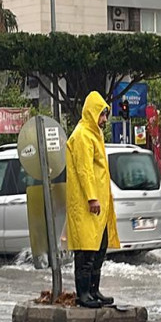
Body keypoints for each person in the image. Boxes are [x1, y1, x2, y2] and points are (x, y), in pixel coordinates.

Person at [66, 91, 120, 309]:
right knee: (86, 250)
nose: (104, 120)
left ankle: (94, 290)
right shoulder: (82, 136)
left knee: (99, 249)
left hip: (99, 205)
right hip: (88, 204)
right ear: (92, 113)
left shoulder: (94, 134)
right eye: (102, 114)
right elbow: (85, 170)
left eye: (105, 115)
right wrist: (91, 198)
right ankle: (83, 294)